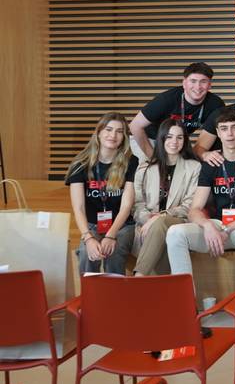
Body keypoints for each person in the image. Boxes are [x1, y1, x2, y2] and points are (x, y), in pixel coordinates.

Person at [166, 108, 235, 278]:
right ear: (218, 133)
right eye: (224, 128)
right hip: (216, 227)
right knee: (175, 233)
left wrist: (228, 229)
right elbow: (195, 209)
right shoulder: (211, 162)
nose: (229, 133)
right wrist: (207, 226)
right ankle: (185, 299)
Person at [66, 112, 138, 275]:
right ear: (98, 132)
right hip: (92, 225)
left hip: (122, 225)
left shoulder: (131, 162)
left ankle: (114, 297)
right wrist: (88, 237)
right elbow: (78, 208)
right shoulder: (79, 164)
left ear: (124, 137)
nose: (113, 135)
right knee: (87, 253)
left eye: (119, 131)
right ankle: (90, 296)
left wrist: (111, 235)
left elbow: (127, 205)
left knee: (112, 251)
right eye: (108, 129)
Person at [132, 118, 201, 276]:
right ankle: (163, 292)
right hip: (147, 225)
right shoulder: (145, 167)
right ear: (161, 139)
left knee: (162, 224)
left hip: (179, 221)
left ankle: (138, 277)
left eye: (179, 137)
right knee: (160, 233)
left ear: (185, 140)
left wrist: (160, 217)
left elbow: (189, 205)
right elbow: (137, 204)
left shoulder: (194, 167)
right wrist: (149, 219)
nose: (174, 142)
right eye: (169, 137)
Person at [129, 62, 225, 162]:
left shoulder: (215, 104)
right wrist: (154, 159)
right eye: (193, 81)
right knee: (152, 171)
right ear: (184, 83)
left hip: (176, 139)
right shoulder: (166, 99)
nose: (198, 86)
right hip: (147, 138)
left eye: (203, 81)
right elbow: (135, 126)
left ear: (210, 85)